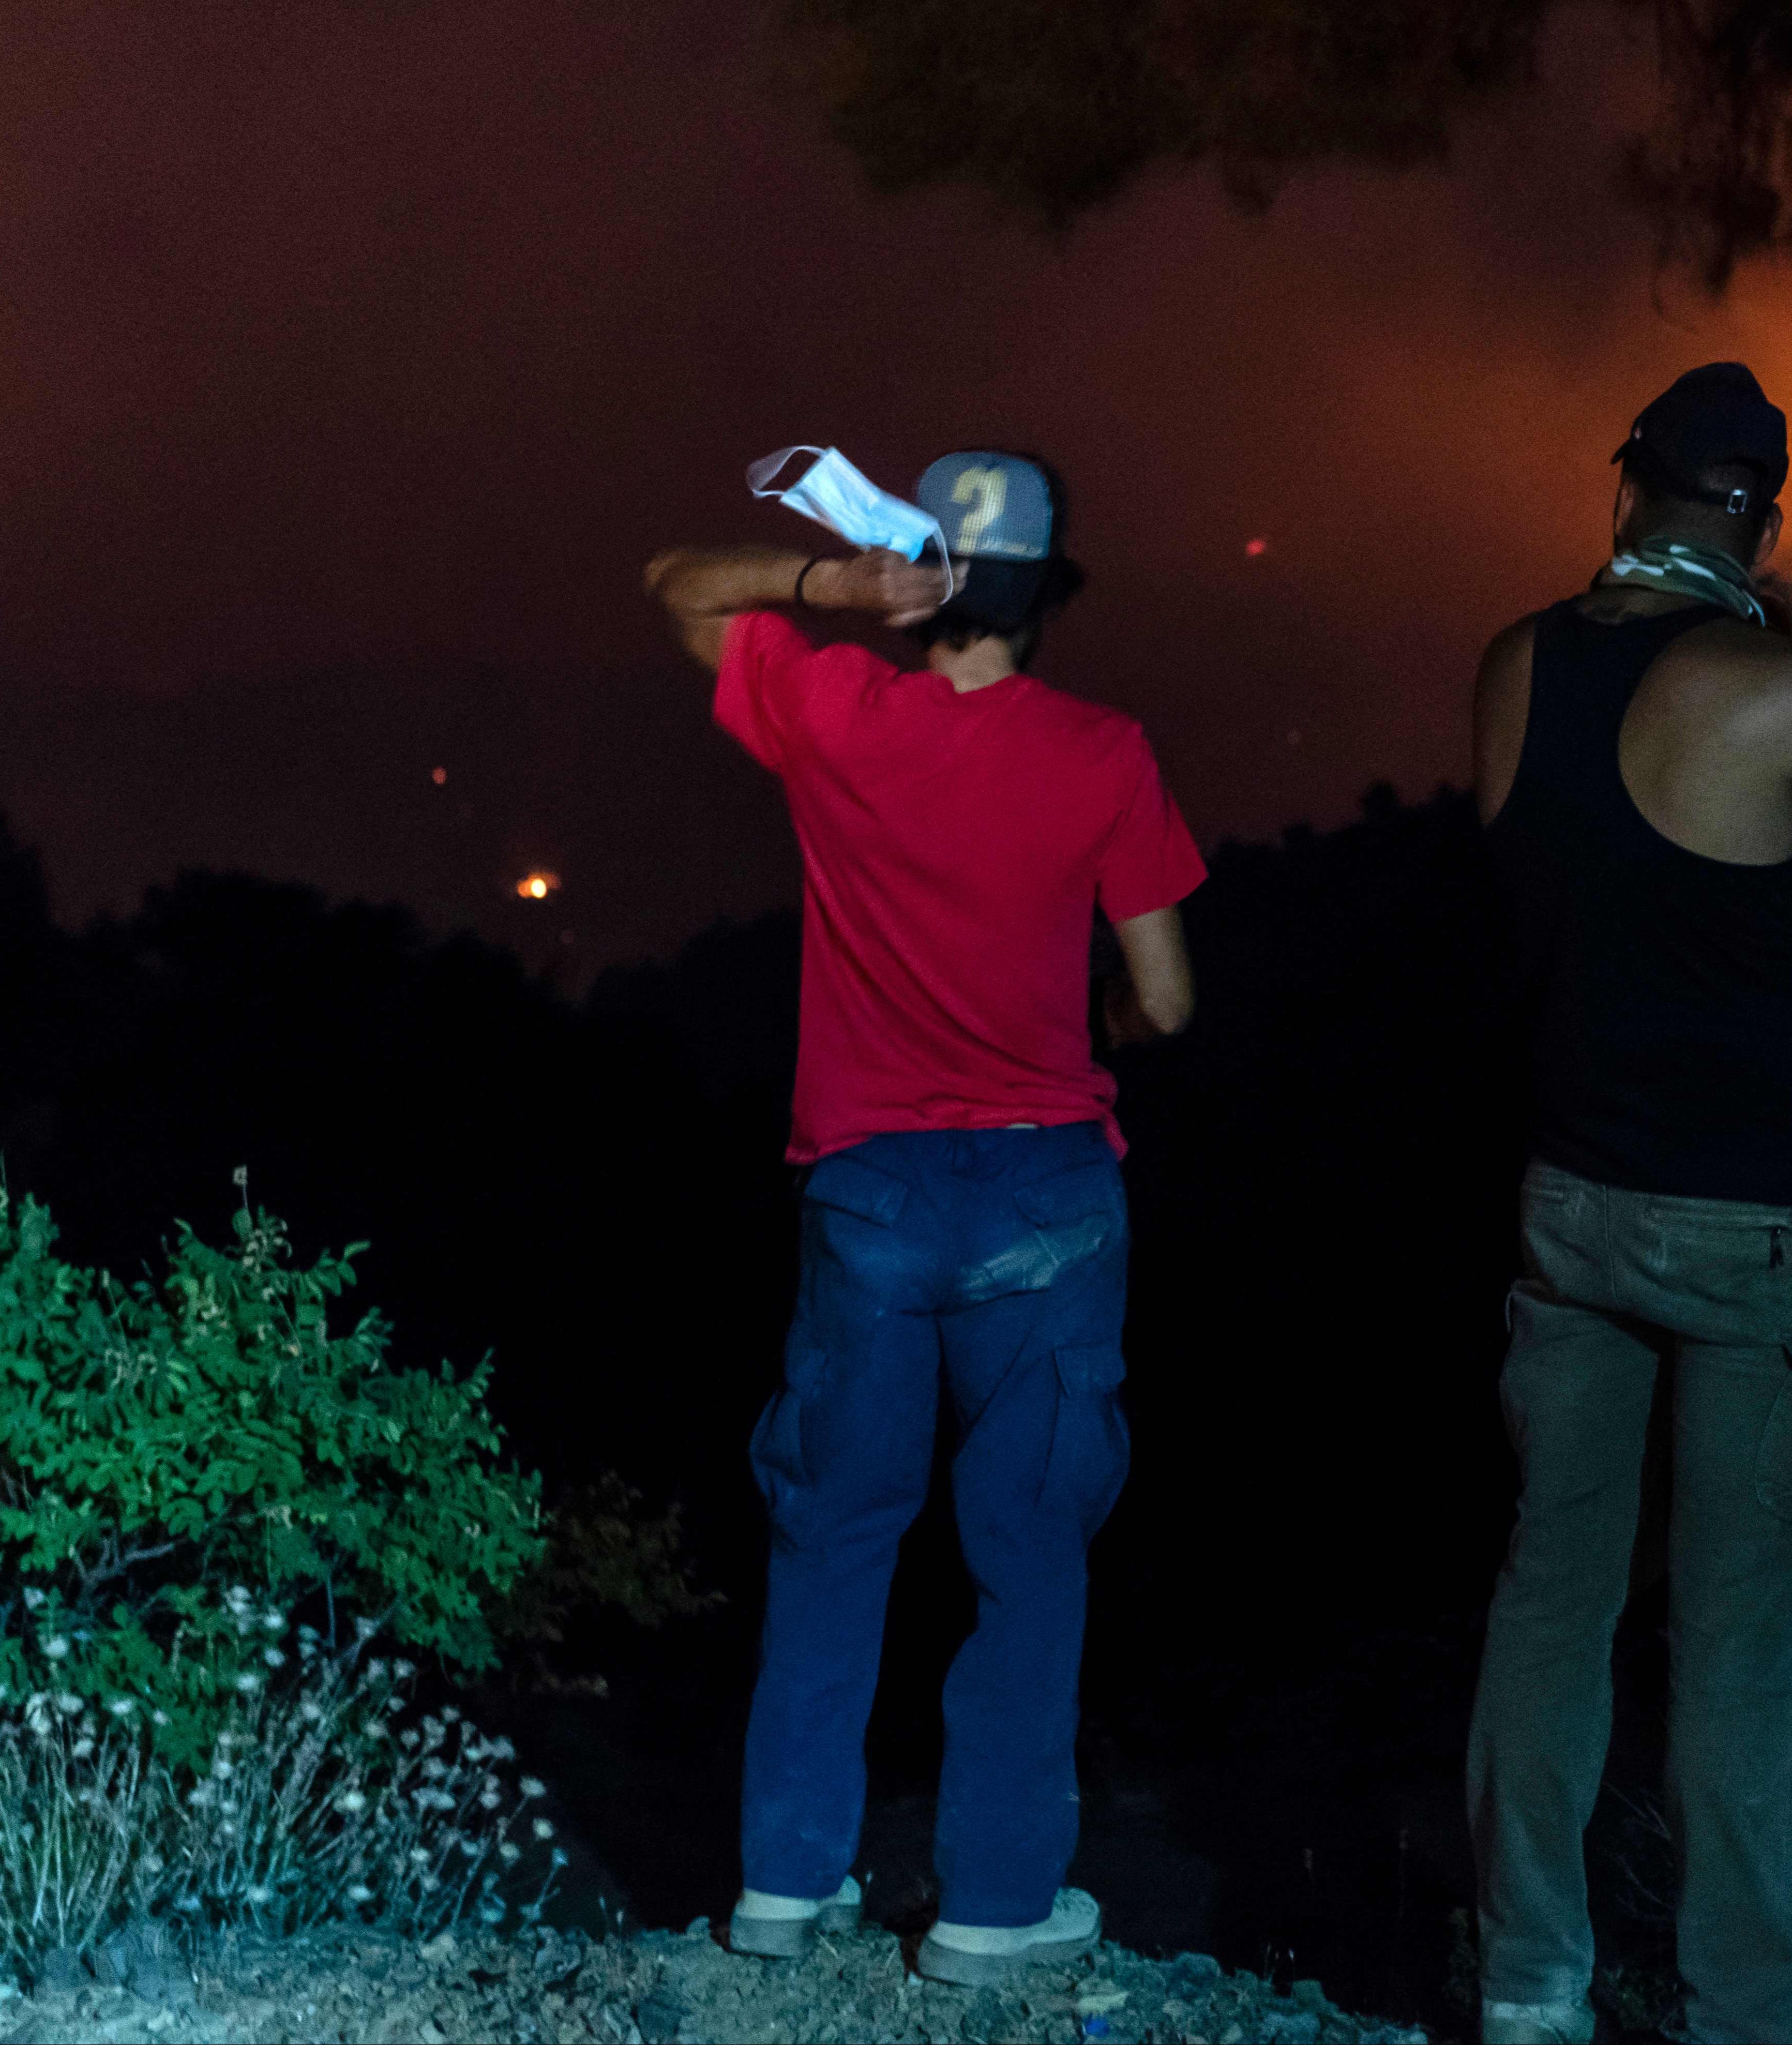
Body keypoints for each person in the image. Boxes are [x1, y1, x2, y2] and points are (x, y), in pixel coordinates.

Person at [643, 450, 1206, 1984]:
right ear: (1045, 594)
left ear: (928, 584)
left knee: (834, 1534)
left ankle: (782, 1885)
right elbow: (1167, 994)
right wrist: (1092, 1025)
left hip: (871, 1187)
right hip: (1049, 1194)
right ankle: (994, 1912)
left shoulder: (840, 714)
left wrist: (831, 580)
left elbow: (675, 587)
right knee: (1028, 1551)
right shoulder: (1104, 750)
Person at [1465, 363, 1792, 2045]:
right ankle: (1752, 2011)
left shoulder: (1513, 666)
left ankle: (1530, 1980)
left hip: (1572, 1204)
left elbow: (1597, 898)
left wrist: (1779, 905)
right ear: (1760, 513)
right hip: (1761, 1229)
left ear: (1627, 490)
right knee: (1740, 1651)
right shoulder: (1786, 687)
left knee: (1552, 1597)